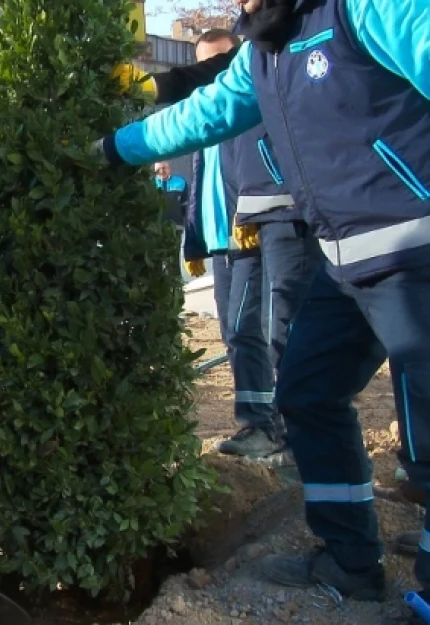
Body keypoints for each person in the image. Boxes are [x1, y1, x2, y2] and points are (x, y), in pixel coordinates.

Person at [97, 0, 430, 605]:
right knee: (306, 393)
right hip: (344, 258)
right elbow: (206, 113)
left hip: (415, 249)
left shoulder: (363, 10)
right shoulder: (264, 49)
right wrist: (115, 148)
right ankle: (351, 560)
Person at [183, 29, 283, 459]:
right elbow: (200, 186)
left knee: (247, 329)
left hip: (248, 236)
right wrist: (193, 242)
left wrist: (248, 213)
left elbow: (260, 167)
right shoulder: (206, 120)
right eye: (205, 65)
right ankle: (261, 419)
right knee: (232, 331)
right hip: (220, 241)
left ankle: (262, 423)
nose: (214, 74)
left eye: (221, 62)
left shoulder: (249, 109)